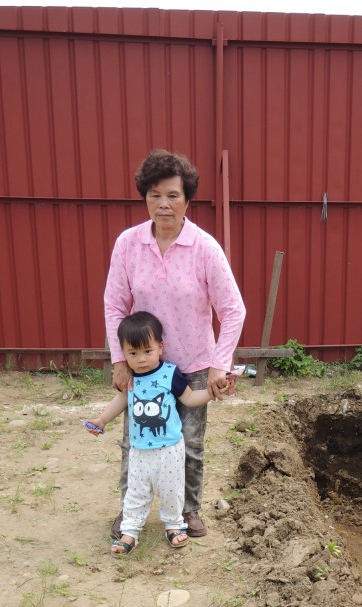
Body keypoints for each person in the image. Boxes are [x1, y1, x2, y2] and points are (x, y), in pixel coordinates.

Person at [104, 150, 246, 540]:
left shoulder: (204, 248)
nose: (163, 204)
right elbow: (115, 303)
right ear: (144, 197)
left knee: (190, 442)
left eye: (172, 195)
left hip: (195, 363)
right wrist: (121, 360)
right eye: (154, 195)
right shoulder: (128, 245)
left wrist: (219, 365)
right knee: (136, 439)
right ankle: (129, 511)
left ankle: (187, 510)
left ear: (187, 199)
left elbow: (233, 310)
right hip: (144, 365)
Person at [86, 311, 229, 556]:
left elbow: (191, 399)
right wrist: (101, 420)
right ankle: (130, 531)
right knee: (136, 490)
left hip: (170, 449)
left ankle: (174, 526)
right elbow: (121, 401)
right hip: (140, 450)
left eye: (147, 351)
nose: (141, 359)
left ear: (160, 347)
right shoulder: (130, 378)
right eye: (133, 353)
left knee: (172, 489)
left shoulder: (169, 374)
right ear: (123, 353)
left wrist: (213, 392)